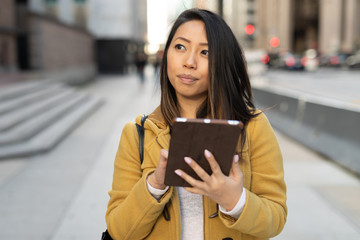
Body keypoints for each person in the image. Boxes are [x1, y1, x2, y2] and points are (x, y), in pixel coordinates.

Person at [105, 8, 287, 240]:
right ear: (167, 53)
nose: (189, 62)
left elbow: (276, 220)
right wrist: (155, 184)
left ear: (222, 61)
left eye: (205, 52)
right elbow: (119, 231)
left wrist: (234, 200)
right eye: (180, 47)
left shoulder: (253, 128)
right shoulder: (137, 134)